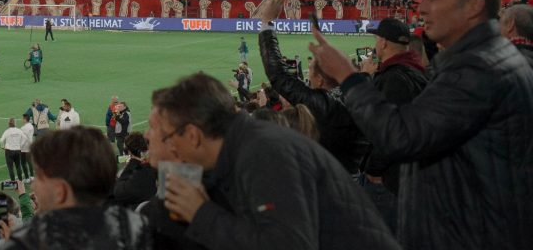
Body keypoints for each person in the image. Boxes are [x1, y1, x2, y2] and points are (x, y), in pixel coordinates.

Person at [309, 0, 533, 249]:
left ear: (474, 7)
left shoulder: (478, 69)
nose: (422, 7)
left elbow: (400, 136)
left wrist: (348, 76)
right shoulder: (489, 59)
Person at [147, 72, 400, 249]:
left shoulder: (263, 152)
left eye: (169, 138)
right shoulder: (248, 145)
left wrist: (201, 213)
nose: (170, 148)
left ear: (193, 135)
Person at [256, 0, 369, 174]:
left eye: (310, 73)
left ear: (319, 79)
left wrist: (267, 23)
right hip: (354, 177)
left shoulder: (323, 105)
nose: (308, 78)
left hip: (330, 179)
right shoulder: (361, 96)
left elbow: (278, 75)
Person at [0, 126, 152, 250]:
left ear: (61, 192)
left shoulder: (27, 242)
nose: (33, 185)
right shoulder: (139, 228)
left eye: (40, 177)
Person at [357, 17, 428, 232]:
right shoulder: (414, 71)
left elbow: (388, 133)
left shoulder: (395, 78)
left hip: (389, 180)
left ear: (384, 43)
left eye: (377, 39)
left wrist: (373, 169)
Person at [108, 132, 157, 209]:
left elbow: (118, 192)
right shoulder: (152, 168)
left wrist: (131, 163)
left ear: (129, 152)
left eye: (125, 149)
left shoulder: (138, 174)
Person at [19, 114, 35, 181]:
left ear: (25, 119)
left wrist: (20, 146)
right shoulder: (31, 126)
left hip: (24, 147)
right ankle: (32, 176)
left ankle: (27, 177)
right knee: (30, 161)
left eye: (23, 118)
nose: (22, 120)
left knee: (23, 163)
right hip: (30, 145)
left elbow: (23, 138)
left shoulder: (23, 128)